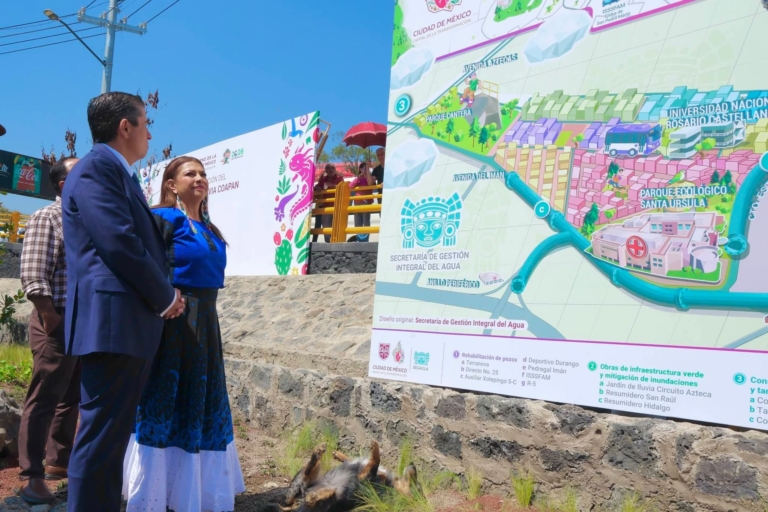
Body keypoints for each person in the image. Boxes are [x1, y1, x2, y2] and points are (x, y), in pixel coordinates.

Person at [61, 92, 185, 512]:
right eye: (146, 123)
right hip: (114, 323)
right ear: (125, 127)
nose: (150, 134)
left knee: (110, 440)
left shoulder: (115, 172)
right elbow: (119, 242)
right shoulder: (97, 169)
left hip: (122, 323)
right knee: (100, 440)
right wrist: (165, 296)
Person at [123, 156, 245, 511]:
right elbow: (143, 266)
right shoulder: (164, 218)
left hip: (206, 322)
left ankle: (192, 491)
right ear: (171, 184)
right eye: (190, 173)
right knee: (165, 397)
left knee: (202, 399)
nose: (199, 178)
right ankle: (152, 492)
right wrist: (162, 301)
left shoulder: (209, 228)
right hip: (172, 321)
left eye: (203, 173)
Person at [14, 157, 80, 505]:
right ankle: (31, 477)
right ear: (64, 185)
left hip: (82, 320)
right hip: (56, 317)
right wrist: (50, 316)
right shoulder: (49, 217)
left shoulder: (84, 219)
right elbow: (33, 274)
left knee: (71, 395)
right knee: (44, 396)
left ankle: (58, 461)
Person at [314, 163, 344, 242]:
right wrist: (318, 188)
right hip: (326, 208)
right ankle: (328, 246)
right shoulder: (323, 180)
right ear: (326, 170)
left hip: (337, 207)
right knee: (326, 229)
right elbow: (316, 186)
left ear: (335, 170)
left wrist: (333, 185)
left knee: (337, 229)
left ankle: (337, 246)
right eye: (328, 168)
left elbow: (343, 188)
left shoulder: (340, 178)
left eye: (332, 168)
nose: (330, 170)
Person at [350, 162, 374, 242]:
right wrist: (358, 178)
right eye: (364, 168)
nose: (366, 170)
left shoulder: (370, 178)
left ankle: (365, 240)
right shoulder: (358, 179)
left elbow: (370, 183)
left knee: (366, 222)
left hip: (366, 203)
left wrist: (367, 173)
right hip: (357, 204)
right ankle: (359, 240)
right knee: (357, 223)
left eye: (367, 168)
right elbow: (350, 186)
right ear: (360, 169)